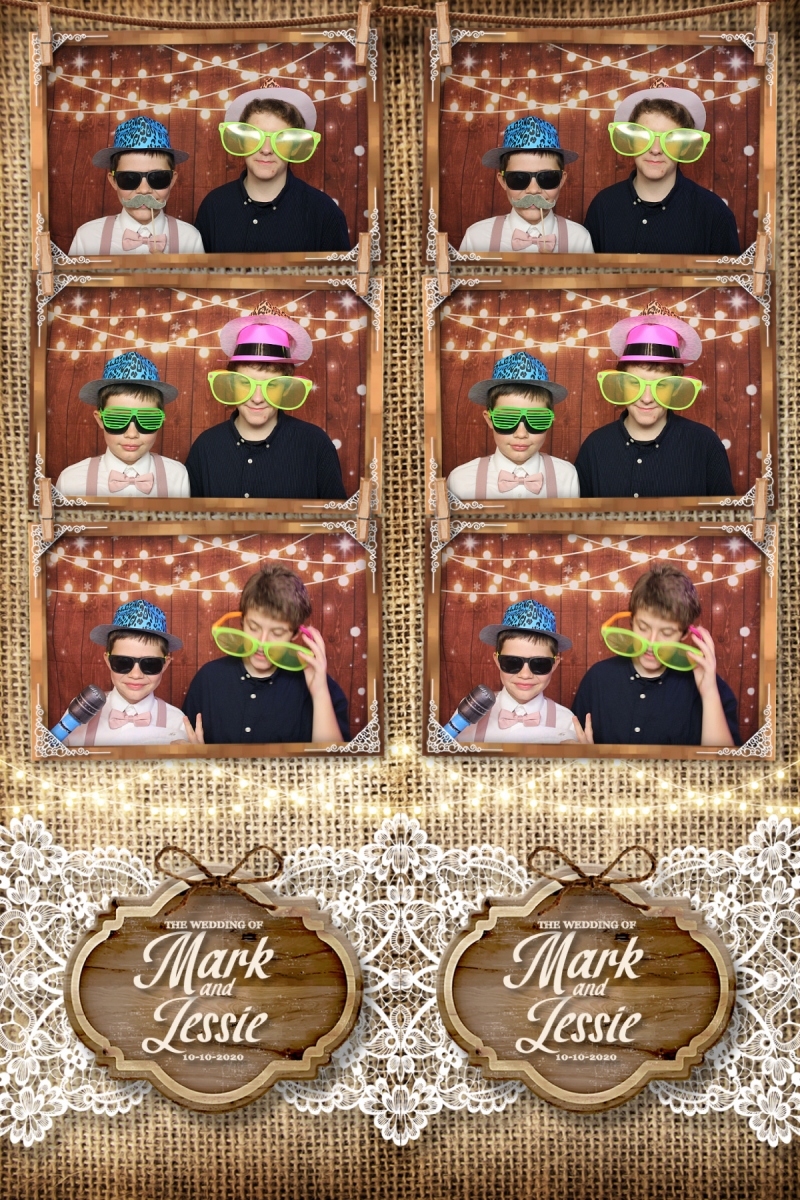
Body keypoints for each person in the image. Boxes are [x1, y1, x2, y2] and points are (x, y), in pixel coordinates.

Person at [185, 301, 346, 500]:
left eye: (272, 385)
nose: (257, 399)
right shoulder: (205, 446)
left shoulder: (316, 445)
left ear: (286, 388)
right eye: (245, 383)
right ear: (232, 383)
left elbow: (337, 517)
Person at [573, 303, 734, 499]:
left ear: (676, 387)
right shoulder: (595, 447)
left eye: (662, 385)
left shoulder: (705, 445)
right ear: (621, 383)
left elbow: (725, 516)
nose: (647, 399)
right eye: (634, 383)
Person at [571, 564, 740, 747]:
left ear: (684, 633)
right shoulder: (598, 678)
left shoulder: (712, 687)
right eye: (643, 627)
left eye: (666, 633)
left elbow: (723, 763)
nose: (651, 643)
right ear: (631, 621)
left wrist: (709, 694)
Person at [182, 564, 350, 745]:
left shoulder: (322, 686)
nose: (262, 643)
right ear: (242, 621)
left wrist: (320, 694)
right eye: (254, 627)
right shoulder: (209, 678)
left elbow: (333, 760)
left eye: (277, 633)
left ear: (295, 634)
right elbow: (180, 745)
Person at [583, 84, 741, 255]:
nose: (656, 149)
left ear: (685, 147)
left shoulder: (714, 213)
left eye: (670, 139)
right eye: (644, 136)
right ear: (631, 141)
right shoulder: (603, 206)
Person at [194, 85, 350, 253]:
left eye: (281, 139)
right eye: (254, 136)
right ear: (241, 141)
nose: (266, 149)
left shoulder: (325, 213)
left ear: (295, 146)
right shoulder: (214, 206)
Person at [56, 352, 190, 499]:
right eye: (117, 419)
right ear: (100, 420)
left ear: (161, 420)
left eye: (147, 419)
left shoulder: (177, 476)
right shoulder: (71, 480)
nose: (132, 434)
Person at [447, 353, 579, 500]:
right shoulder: (461, 480)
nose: (521, 434)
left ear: (550, 420)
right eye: (507, 418)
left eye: (537, 419)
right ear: (489, 420)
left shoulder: (566, 476)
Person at [68, 117, 204, 256]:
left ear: (172, 180)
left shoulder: (190, 239)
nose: (144, 190)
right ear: (113, 181)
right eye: (129, 178)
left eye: (157, 178)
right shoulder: (87, 238)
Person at [459, 117, 593, 254]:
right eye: (519, 178)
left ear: (562, 180)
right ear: (503, 181)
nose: (533, 190)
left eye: (547, 178)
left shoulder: (579, 239)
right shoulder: (477, 238)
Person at [65, 600, 189, 747]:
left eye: (150, 664)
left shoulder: (177, 722)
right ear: (108, 660)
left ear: (165, 664)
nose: (136, 675)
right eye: (122, 662)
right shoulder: (81, 709)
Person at [457, 600, 579, 743]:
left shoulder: (566, 722)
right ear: (497, 661)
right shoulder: (469, 710)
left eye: (539, 664)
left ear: (554, 664)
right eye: (512, 662)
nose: (525, 675)